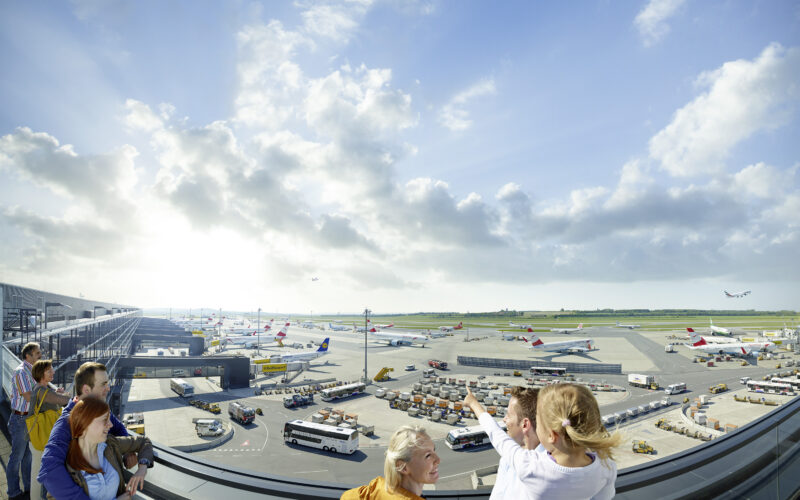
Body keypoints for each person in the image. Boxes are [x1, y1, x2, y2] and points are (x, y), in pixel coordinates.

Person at [463, 383, 621, 500]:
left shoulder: (530, 467)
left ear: (552, 435)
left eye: (538, 420)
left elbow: (496, 435)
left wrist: (474, 404)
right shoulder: (607, 467)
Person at [39, 362, 146, 499]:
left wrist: (128, 451)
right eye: (103, 384)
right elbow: (48, 469)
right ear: (86, 390)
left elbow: (119, 428)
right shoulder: (66, 423)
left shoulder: (98, 411)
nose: (108, 388)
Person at [65, 397, 153, 499]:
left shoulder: (110, 444)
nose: (110, 425)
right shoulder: (67, 467)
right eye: (104, 420)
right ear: (85, 424)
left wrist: (142, 467)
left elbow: (144, 441)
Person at [341, 425, 439, 499]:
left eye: (434, 450)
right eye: (428, 456)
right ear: (403, 467)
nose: (438, 460)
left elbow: (346, 496)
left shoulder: (375, 489)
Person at [30, 360, 73, 500]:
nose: (53, 372)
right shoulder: (42, 391)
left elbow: (50, 399)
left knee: (43, 472)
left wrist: (56, 392)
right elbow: (65, 401)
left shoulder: (41, 389)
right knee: (47, 473)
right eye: (49, 371)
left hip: (42, 438)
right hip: (43, 439)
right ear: (41, 374)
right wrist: (66, 395)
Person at [6, 342, 42, 500]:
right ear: (28, 355)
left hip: (28, 418)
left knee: (27, 457)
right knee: (17, 458)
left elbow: (36, 391)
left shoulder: (32, 371)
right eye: (37, 353)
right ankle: (13, 492)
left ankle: (28, 487)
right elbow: (28, 396)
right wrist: (49, 397)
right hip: (20, 419)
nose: (40, 355)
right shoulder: (21, 372)